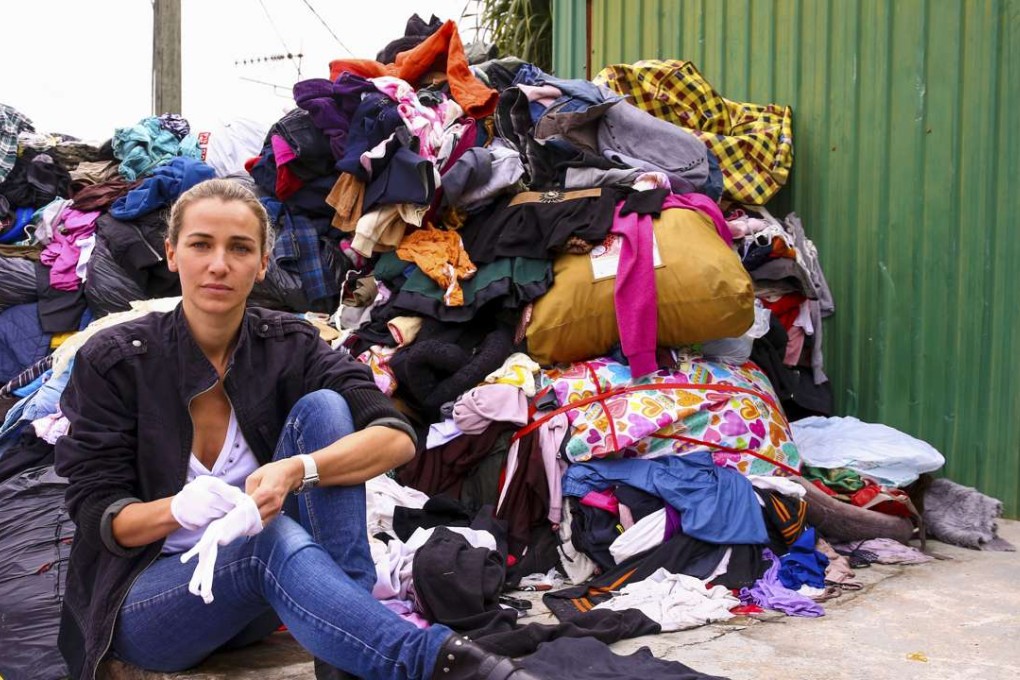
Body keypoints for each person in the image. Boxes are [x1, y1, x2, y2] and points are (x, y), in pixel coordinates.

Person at [54, 179, 538, 680]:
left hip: (257, 597)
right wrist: (176, 510)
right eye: (201, 245)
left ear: (263, 262)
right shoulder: (117, 360)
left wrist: (298, 470)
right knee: (269, 539)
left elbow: (396, 438)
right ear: (172, 254)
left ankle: (347, 648)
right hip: (149, 607)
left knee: (325, 408)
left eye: (240, 248)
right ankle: (438, 665)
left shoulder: (287, 344)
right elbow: (97, 514)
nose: (219, 264)